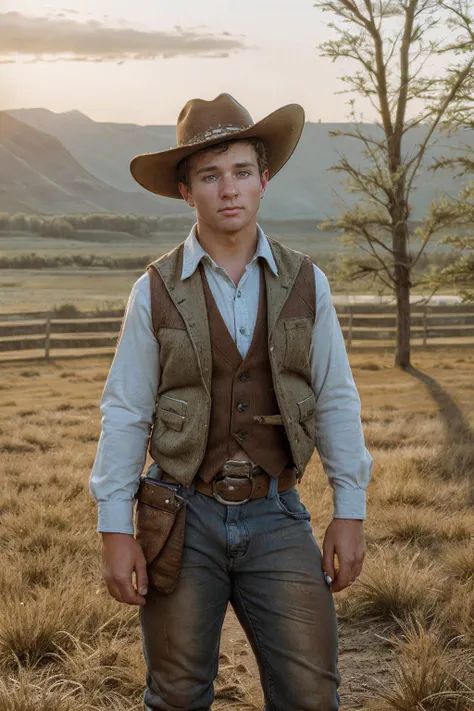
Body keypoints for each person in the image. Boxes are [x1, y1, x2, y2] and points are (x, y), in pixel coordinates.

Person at [89, 93, 373, 711]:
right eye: (210, 176)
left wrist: (349, 510)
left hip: (277, 514)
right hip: (180, 516)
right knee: (177, 696)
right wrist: (115, 526)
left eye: (242, 172)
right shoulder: (154, 290)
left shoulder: (306, 282)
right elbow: (126, 411)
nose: (229, 189)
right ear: (187, 191)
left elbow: (336, 398)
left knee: (311, 695)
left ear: (265, 180)